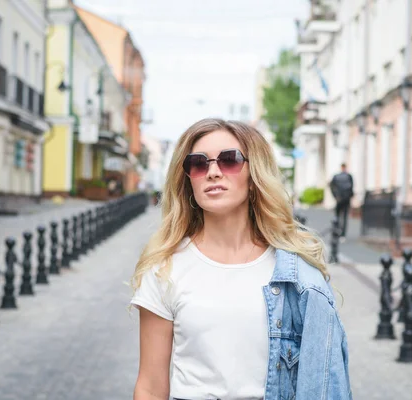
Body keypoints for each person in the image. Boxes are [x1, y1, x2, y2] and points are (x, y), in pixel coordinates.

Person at [130, 118, 352, 400]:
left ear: (253, 177)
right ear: (188, 181)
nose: (212, 172)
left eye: (229, 160)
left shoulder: (297, 274)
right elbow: (150, 386)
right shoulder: (165, 268)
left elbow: (325, 381)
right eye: (198, 163)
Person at [329, 163, 354, 240]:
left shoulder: (336, 177)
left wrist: (335, 196)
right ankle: (343, 234)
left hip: (339, 199)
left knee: (337, 216)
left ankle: (337, 231)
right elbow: (351, 188)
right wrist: (349, 196)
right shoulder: (349, 176)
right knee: (344, 217)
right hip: (346, 199)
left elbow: (331, 186)